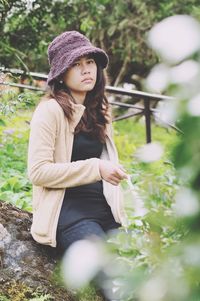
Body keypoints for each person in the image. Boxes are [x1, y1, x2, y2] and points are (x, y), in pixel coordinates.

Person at [27, 31, 128, 253]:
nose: (86, 69)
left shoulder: (101, 111)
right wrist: (96, 167)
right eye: (76, 64)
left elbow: (105, 164)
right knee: (110, 275)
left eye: (90, 62)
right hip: (69, 214)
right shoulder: (49, 111)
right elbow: (38, 172)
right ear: (61, 75)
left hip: (105, 211)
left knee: (139, 269)